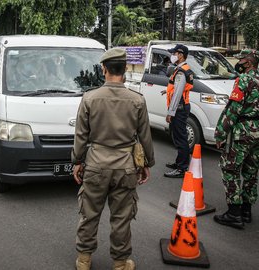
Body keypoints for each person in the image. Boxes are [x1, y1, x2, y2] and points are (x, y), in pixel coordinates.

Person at [72, 48, 155, 270]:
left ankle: (84, 260)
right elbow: (145, 136)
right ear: (125, 69)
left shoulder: (90, 98)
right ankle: (120, 263)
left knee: (89, 214)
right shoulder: (137, 100)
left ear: (104, 69)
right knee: (121, 217)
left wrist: (77, 162)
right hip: (125, 167)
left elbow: (81, 135)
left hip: (96, 164)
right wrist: (146, 164)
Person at [213, 49, 259, 229]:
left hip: (242, 133)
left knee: (230, 170)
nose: (238, 62)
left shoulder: (244, 80)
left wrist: (220, 133)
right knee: (251, 173)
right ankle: (246, 211)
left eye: (241, 60)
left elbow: (233, 110)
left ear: (248, 62)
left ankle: (234, 214)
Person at [164, 44, 193, 178]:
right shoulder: (182, 69)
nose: (173, 56)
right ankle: (179, 162)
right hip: (182, 106)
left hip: (179, 108)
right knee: (177, 136)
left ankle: (182, 168)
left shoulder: (181, 71)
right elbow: (177, 88)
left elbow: (177, 94)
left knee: (181, 138)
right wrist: (167, 90)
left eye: (174, 53)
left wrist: (171, 112)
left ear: (180, 55)